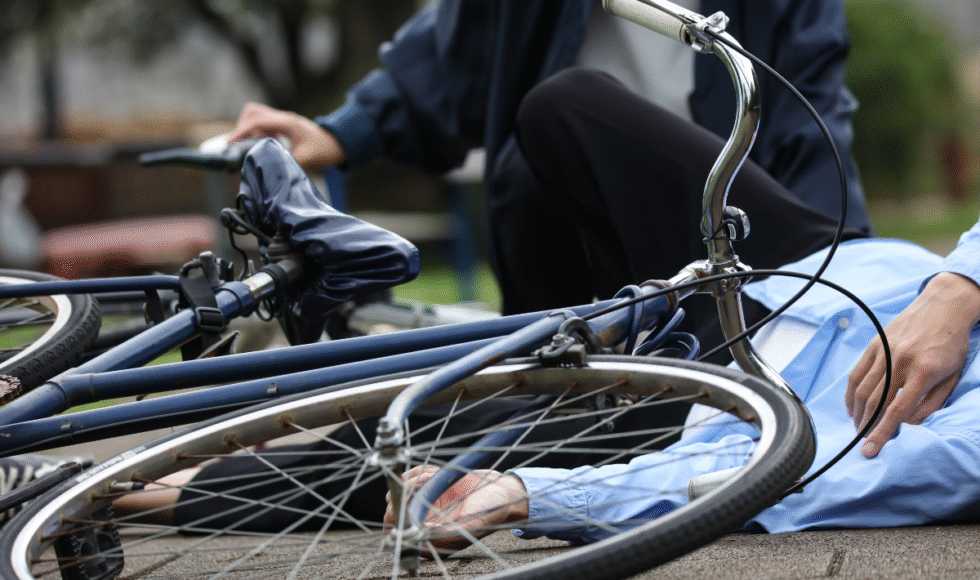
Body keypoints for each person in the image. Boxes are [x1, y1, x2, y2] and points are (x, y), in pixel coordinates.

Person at [223, 0, 873, 318]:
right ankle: (194, 487)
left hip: (725, 232)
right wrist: (341, 133)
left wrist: (843, 282)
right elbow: (455, 49)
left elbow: (812, 116)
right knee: (533, 151)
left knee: (562, 105)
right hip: (575, 229)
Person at [388, 217, 980, 548]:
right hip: (819, 274)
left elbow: (796, 472)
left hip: (716, 408)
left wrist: (531, 494)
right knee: (566, 107)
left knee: (386, 449)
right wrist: (959, 286)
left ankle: (541, 390)